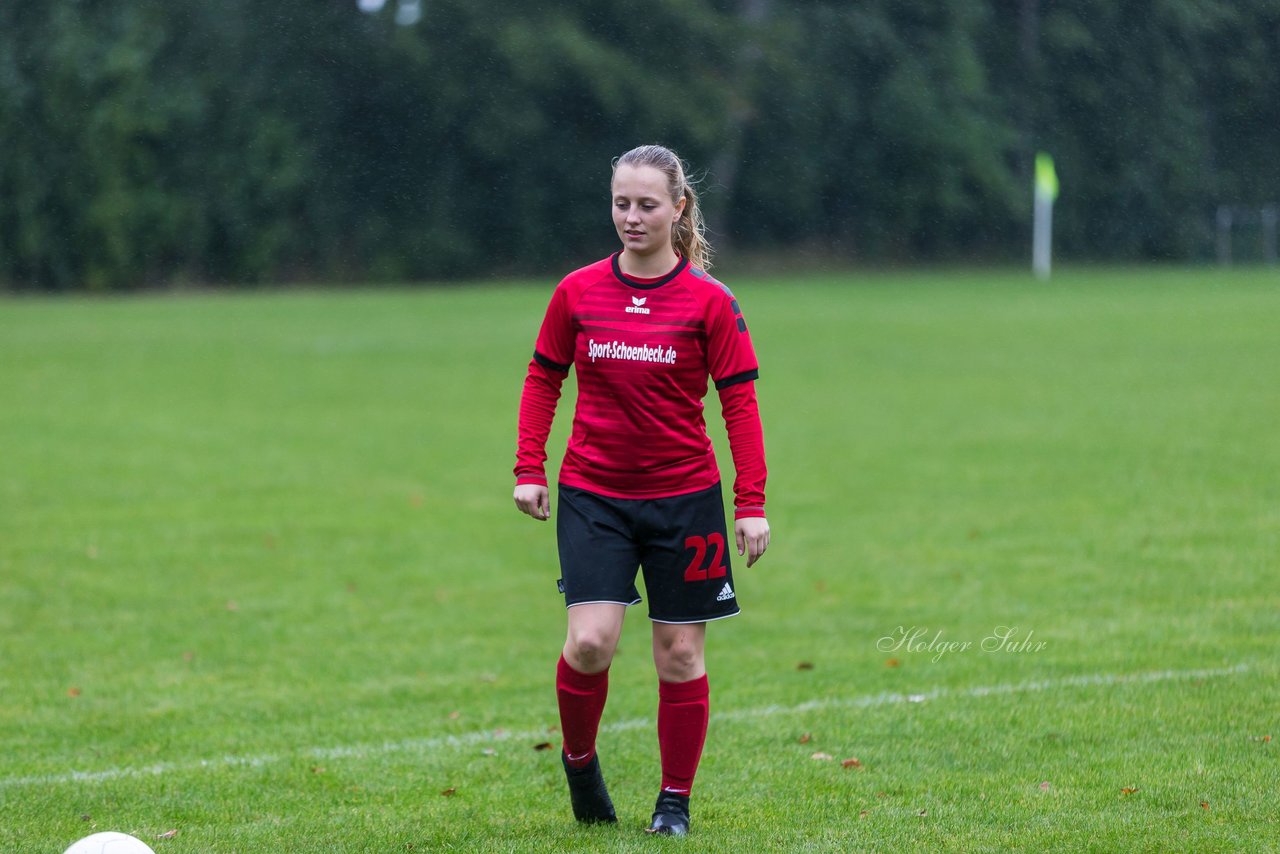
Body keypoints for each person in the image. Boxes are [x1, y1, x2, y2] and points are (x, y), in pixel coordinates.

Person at [512, 144, 770, 836]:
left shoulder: (711, 303)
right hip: (594, 495)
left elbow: (739, 405)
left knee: (680, 654)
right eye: (621, 203)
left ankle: (673, 804)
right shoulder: (577, 291)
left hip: (685, 498)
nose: (631, 217)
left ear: (678, 208)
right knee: (591, 642)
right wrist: (528, 468)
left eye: (647, 204)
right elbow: (544, 377)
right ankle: (579, 760)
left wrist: (751, 506)